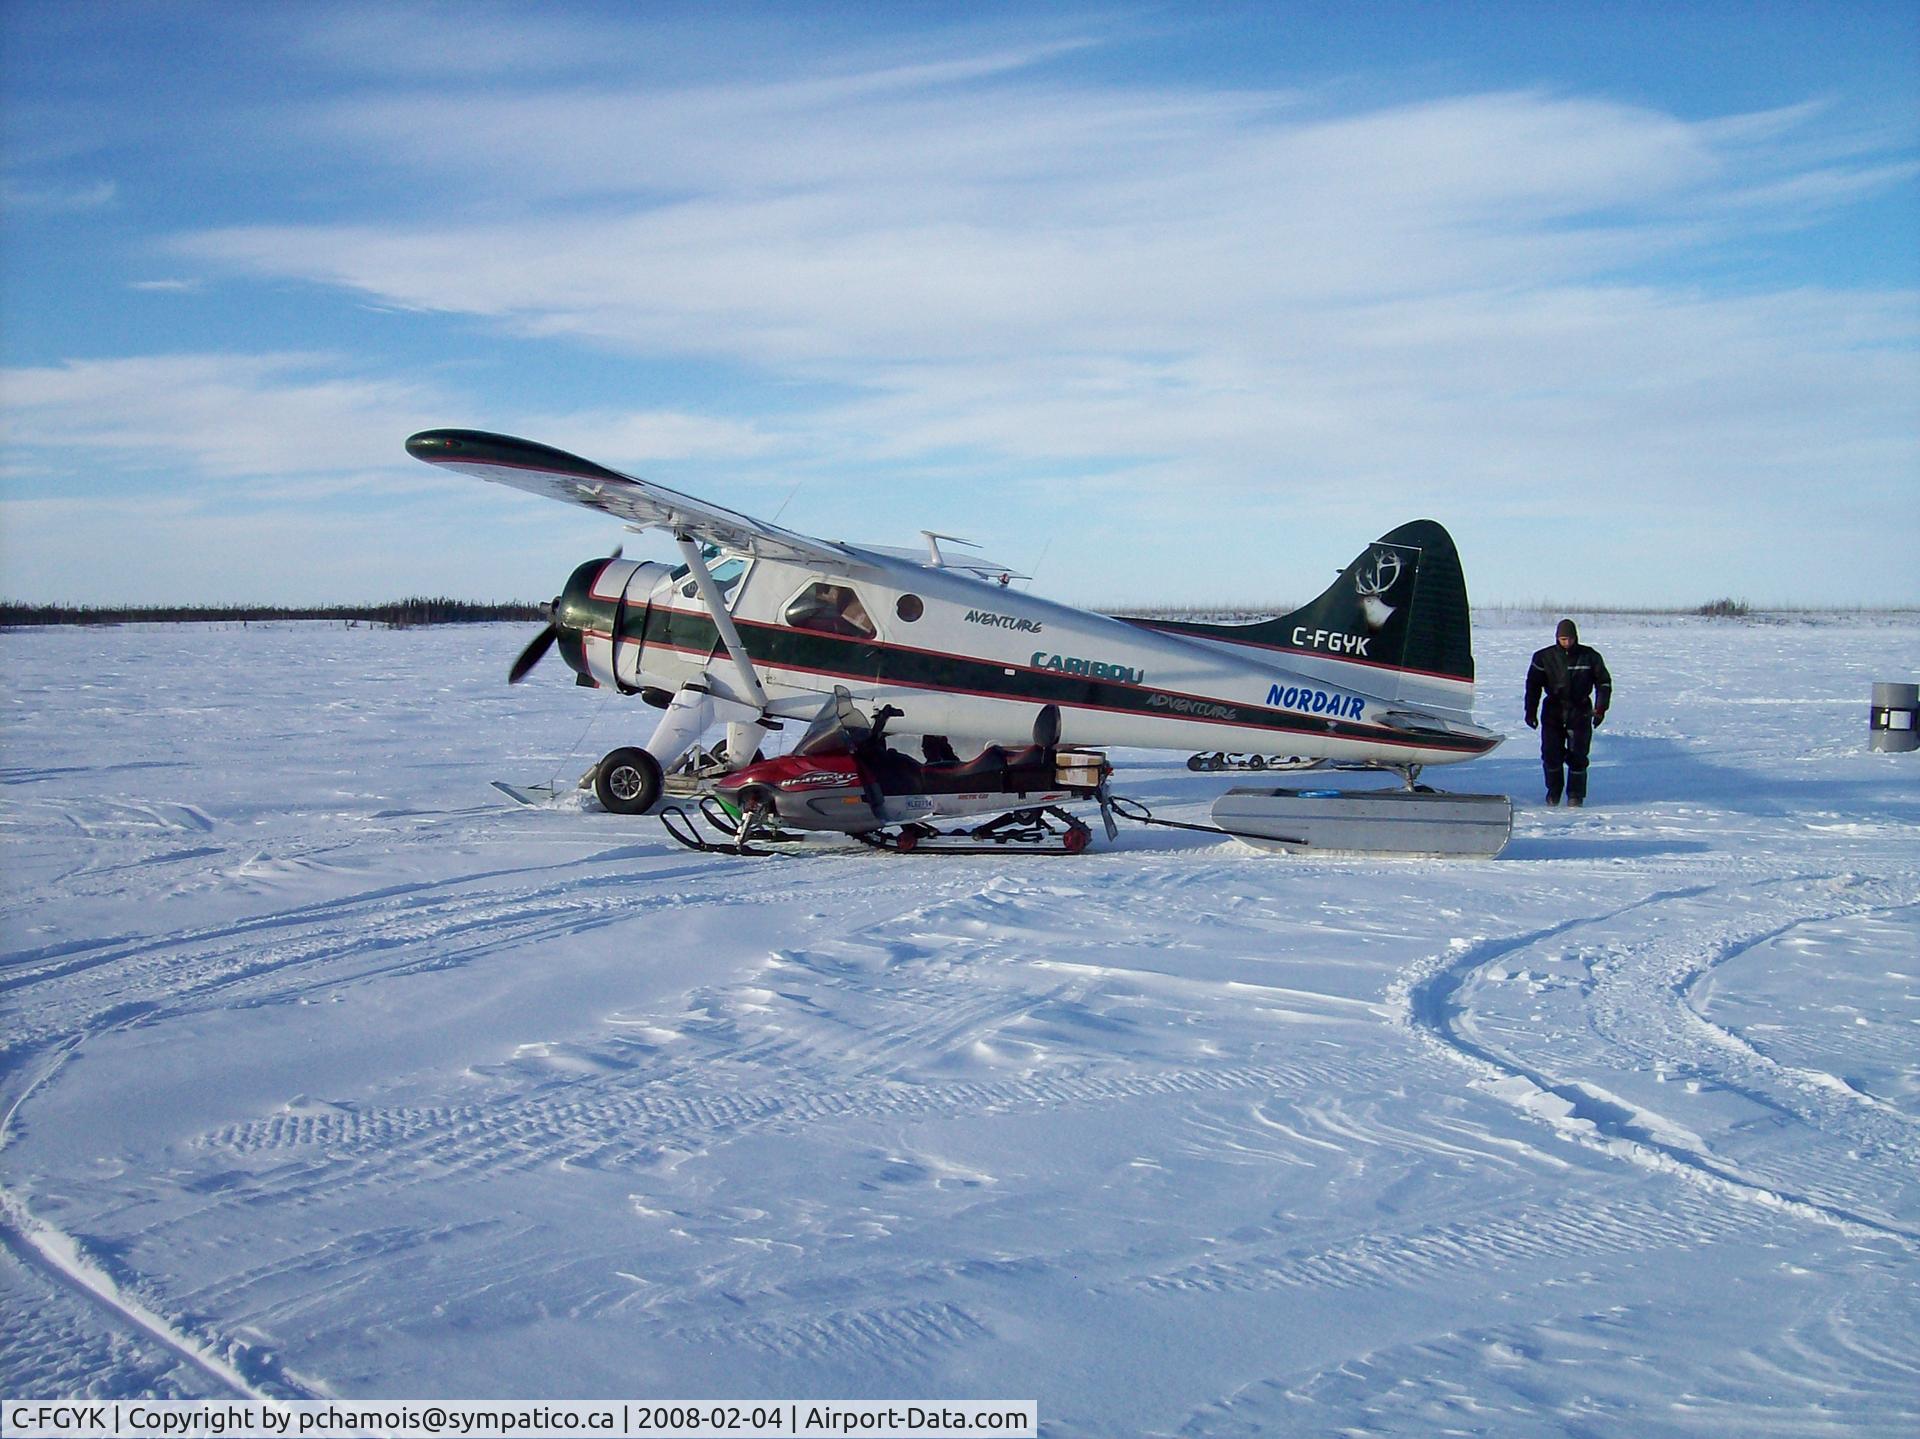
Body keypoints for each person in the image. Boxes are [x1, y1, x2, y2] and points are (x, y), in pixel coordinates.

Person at [1525, 618, 1612, 807]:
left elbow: (1603, 683)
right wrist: (1530, 712)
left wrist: (1600, 709)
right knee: (1551, 754)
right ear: (1557, 638)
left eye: (1570, 639)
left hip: (1580, 710)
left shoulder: (1590, 656)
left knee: (1578, 755)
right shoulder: (1543, 657)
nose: (1567, 643)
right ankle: (1554, 791)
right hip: (1553, 710)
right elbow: (1533, 686)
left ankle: (1575, 794)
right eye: (1563, 639)